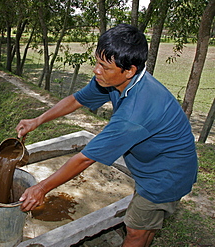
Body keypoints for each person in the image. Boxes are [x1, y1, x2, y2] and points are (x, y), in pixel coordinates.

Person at [15, 23, 198, 247]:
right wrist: (38, 120)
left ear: (129, 70)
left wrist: (41, 188)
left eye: (104, 66)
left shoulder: (136, 112)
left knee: (135, 230)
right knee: (145, 226)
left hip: (166, 175)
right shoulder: (113, 80)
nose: (96, 70)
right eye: (97, 62)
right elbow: (76, 99)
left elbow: (85, 158)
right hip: (154, 164)